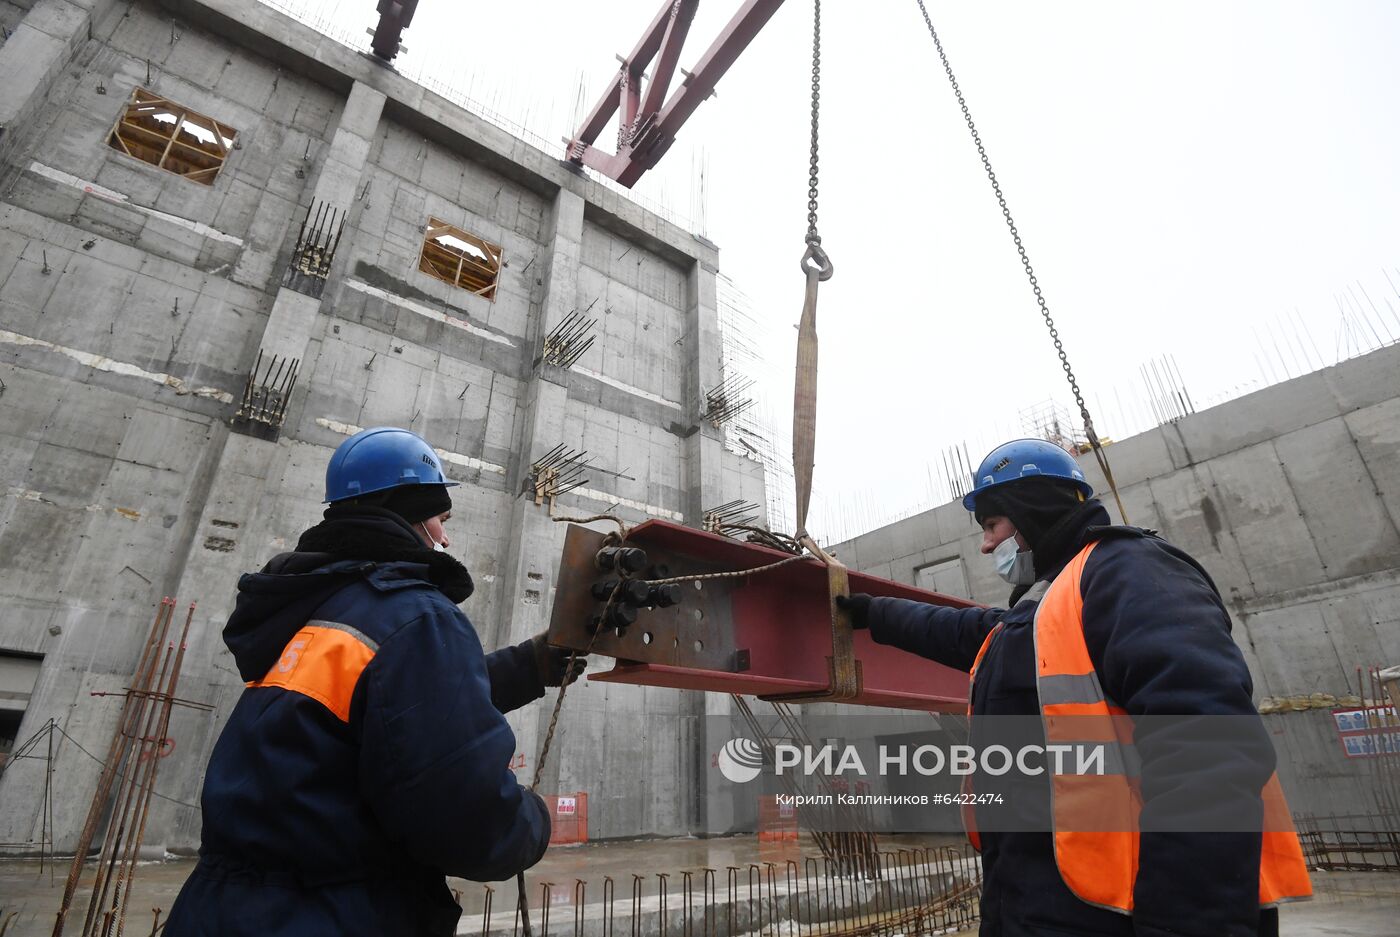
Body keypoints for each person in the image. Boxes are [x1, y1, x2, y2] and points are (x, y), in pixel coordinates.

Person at [837, 438, 1311, 937]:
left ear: (1029, 509)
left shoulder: (1131, 572)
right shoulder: (1049, 606)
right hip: (1039, 905)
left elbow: (1208, 755)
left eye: (992, 526)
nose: (985, 546)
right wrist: (875, 613)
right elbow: (970, 633)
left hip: (1116, 915)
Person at [165, 427, 583, 936]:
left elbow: (383, 711)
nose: (446, 538)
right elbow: (471, 825)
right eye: (441, 519)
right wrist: (533, 819)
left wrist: (530, 666)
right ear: (408, 512)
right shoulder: (415, 616)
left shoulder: (318, 616)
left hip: (226, 911)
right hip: (332, 915)